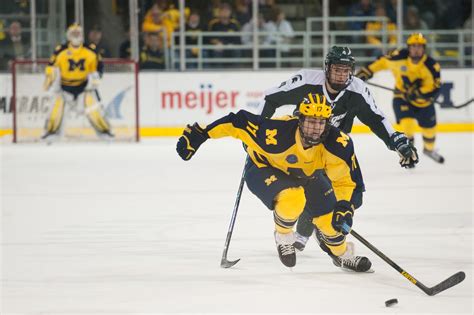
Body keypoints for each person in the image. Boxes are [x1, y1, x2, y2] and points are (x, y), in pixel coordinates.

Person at [176, 92, 372, 272]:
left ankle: (342, 255)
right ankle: (284, 236)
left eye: (321, 122)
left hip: (306, 175)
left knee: (330, 221)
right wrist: (201, 133)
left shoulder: (338, 144)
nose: (315, 128)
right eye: (310, 121)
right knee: (293, 198)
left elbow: (348, 182)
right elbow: (238, 123)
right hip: (263, 169)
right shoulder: (276, 132)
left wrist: (345, 206)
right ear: (299, 120)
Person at [259, 46, 418, 252]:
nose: (342, 75)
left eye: (346, 70)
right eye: (337, 70)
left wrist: (399, 143)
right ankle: (298, 232)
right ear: (327, 68)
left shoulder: (357, 89)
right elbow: (271, 98)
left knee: (353, 188)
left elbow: (376, 119)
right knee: (308, 187)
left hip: (334, 148)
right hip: (303, 144)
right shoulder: (307, 80)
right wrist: (258, 130)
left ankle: (321, 230)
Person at [356, 33, 444, 164]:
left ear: (424, 48)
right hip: (402, 97)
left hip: (423, 103)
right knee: (407, 126)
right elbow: (381, 62)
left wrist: (418, 93)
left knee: (429, 131)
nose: (416, 49)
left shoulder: (431, 66)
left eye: (419, 46)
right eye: (413, 46)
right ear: (408, 47)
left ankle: (429, 150)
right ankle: (409, 153)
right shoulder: (397, 57)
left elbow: (435, 87)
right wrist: (366, 72)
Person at [42, 23, 113, 140]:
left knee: (95, 111)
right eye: (73, 33)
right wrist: (50, 78)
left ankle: (105, 132)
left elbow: (99, 67)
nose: (75, 36)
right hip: (64, 88)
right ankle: (51, 132)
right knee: (55, 111)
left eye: (78, 33)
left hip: (83, 88)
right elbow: (51, 66)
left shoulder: (90, 50)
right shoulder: (60, 51)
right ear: (68, 35)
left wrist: (96, 77)